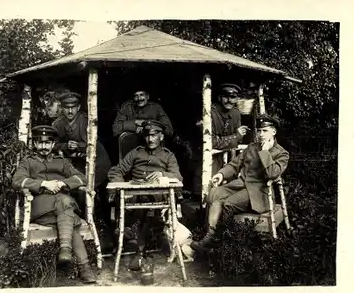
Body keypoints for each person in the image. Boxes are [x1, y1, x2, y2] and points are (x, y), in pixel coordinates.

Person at [191, 114, 289, 252]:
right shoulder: (252, 147)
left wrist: (265, 152)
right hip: (240, 185)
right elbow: (235, 164)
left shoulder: (282, 154)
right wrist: (221, 174)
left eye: (265, 131)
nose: (261, 134)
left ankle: (223, 241)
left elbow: (272, 173)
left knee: (229, 204)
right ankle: (210, 236)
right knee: (214, 194)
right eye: (259, 130)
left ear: (274, 131)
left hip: (259, 192)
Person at [12, 125, 97, 284]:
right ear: (35, 144)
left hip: (59, 209)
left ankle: (77, 261)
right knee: (67, 206)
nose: (44, 146)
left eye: (47, 143)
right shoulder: (28, 162)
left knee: (66, 212)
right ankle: (79, 262)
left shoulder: (61, 162)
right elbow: (17, 181)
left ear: (53, 144)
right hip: (39, 207)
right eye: (40, 143)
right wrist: (44, 183)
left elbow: (81, 178)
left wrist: (62, 183)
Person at [107, 120, 183, 270]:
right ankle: (142, 247)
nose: (150, 139)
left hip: (158, 196)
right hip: (134, 195)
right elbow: (116, 171)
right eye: (148, 135)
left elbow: (178, 177)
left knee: (147, 202)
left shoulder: (168, 156)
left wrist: (162, 174)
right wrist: (123, 187)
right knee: (142, 200)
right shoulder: (136, 153)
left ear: (161, 137)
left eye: (154, 135)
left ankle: (138, 249)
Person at [51, 92, 113, 244]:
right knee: (77, 195)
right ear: (61, 108)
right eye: (66, 108)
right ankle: (85, 236)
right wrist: (65, 145)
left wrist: (77, 145)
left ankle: (105, 235)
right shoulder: (57, 124)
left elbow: (93, 142)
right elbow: (52, 144)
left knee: (96, 197)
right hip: (78, 165)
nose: (70, 111)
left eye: (73, 107)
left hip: (98, 163)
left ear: (78, 107)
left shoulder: (88, 121)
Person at [210, 83, 250, 174]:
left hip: (229, 158)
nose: (229, 101)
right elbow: (211, 141)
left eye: (233, 97)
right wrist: (235, 136)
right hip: (209, 160)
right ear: (219, 97)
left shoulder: (236, 113)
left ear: (236, 99)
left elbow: (239, 141)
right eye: (226, 97)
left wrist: (237, 137)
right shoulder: (210, 112)